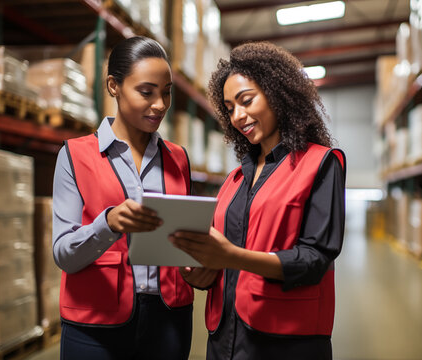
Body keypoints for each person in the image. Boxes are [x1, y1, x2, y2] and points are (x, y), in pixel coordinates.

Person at [170, 42, 346, 360]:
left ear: (277, 93)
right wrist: (201, 273)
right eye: (229, 108)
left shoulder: (321, 163)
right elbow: (224, 258)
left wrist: (233, 257)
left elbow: (315, 260)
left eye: (246, 101)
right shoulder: (234, 180)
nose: (238, 116)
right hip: (225, 337)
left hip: (285, 341)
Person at [52, 36, 195, 360]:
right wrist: (108, 224)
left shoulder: (178, 159)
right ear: (114, 85)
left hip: (169, 320)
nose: (160, 104)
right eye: (146, 92)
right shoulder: (75, 155)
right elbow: (63, 253)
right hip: (95, 326)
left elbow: (186, 241)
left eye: (166, 92)